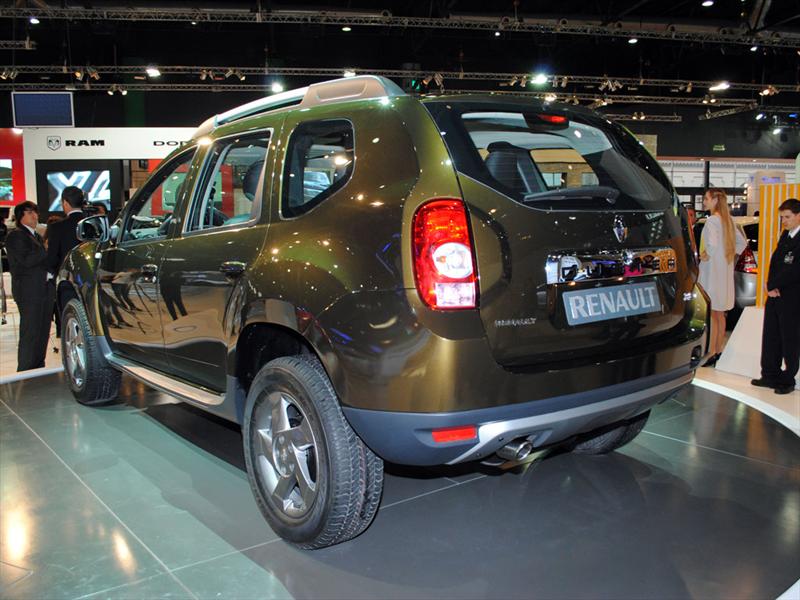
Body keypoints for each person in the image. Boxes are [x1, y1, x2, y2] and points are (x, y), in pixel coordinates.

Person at [752, 198, 800, 395]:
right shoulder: (786, 235)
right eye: (782, 218)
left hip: (792, 297)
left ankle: (788, 379)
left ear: (799, 216)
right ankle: (770, 374)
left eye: (787, 217)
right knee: (771, 335)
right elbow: (776, 262)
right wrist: (769, 285)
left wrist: (773, 284)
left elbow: (795, 269)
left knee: (789, 338)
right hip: (775, 294)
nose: (784, 221)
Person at [698, 188, 746, 366]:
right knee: (720, 314)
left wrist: (705, 255)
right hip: (724, 272)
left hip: (712, 273)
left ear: (715, 200)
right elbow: (742, 243)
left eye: (706, 198)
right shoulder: (729, 220)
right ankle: (717, 351)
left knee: (712, 313)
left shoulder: (712, 221)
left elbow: (711, 244)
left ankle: (710, 352)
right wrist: (729, 255)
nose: (704, 202)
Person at [4, 202, 53, 371]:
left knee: (43, 330)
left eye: (35, 212)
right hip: (29, 291)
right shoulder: (17, 236)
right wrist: (45, 249)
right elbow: (26, 260)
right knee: (30, 332)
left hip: (44, 289)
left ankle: (38, 367)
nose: (34, 216)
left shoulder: (36, 236)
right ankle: (25, 369)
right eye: (29, 212)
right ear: (20, 217)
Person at [46, 186, 86, 277]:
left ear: (65, 202)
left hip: (66, 276)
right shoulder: (92, 224)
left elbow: (52, 258)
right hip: (88, 275)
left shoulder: (57, 227)